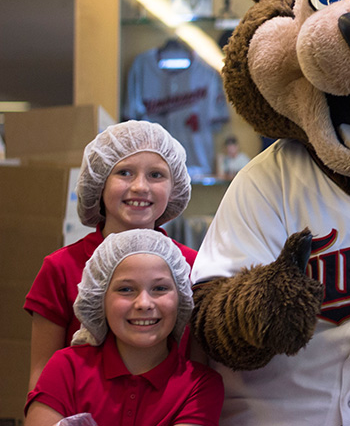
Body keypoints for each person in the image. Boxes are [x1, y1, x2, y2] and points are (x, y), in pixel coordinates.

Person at [24, 120, 196, 391]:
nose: (140, 186)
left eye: (156, 175)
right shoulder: (60, 267)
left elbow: (198, 365)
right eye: (125, 172)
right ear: (99, 183)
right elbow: (41, 374)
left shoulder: (193, 266)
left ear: (174, 186)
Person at [25, 229, 224, 426]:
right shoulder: (66, 368)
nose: (144, 303)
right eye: (126, 289)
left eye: (160, 288)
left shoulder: (199, 387)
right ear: (100, 298)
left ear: (181, 298)